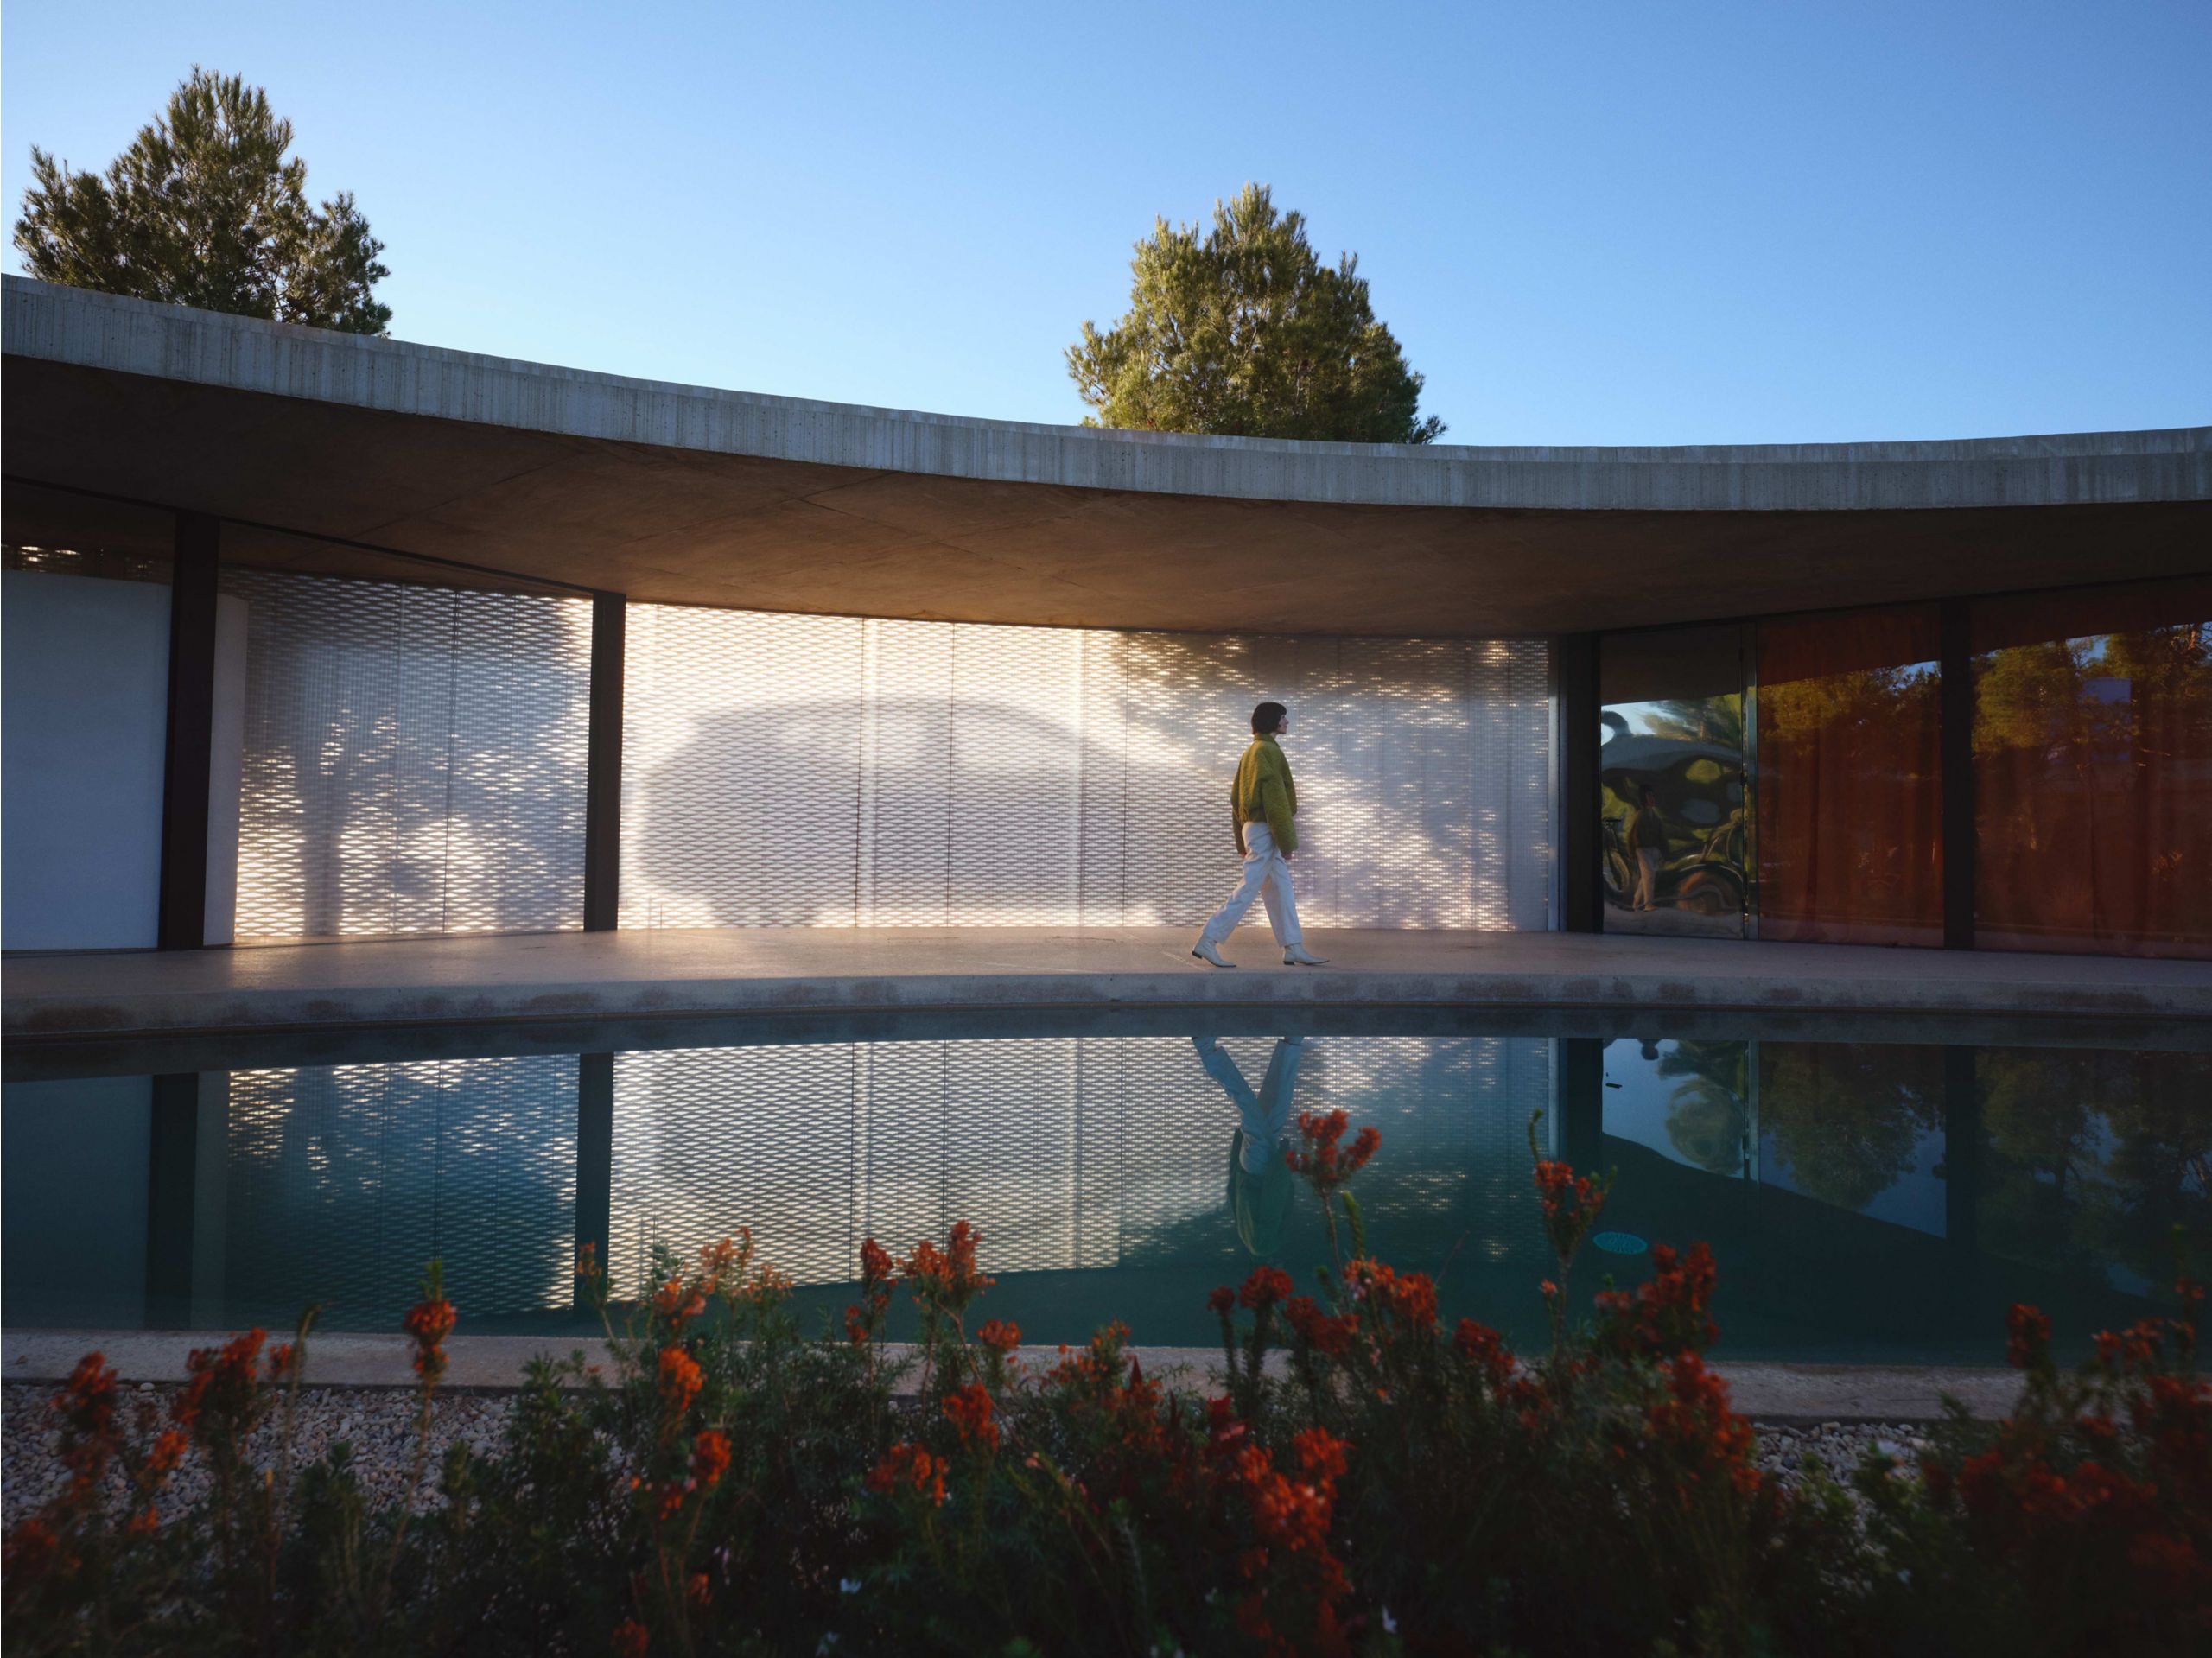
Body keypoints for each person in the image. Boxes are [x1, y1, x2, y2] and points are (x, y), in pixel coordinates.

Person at [1192, 702, 1327, 968]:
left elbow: (1235, 799)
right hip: (1267, 828)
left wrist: (1240, 839)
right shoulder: (1268, 751)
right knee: (1249, 886)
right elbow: (1275, 799)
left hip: (1254, 828)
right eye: (1283, 718)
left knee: (1281, 889)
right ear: (1273, 721)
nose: (1287, 722)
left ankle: (1293, 947)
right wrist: (1287, 842)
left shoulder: (1251, 752)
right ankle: (1208, 939)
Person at [1191, 1034, 1304, 1256]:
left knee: (1252, 1106)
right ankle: (1291, 1044)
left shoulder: (1266, 1243)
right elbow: (1233, 1190)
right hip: (1252, 1167)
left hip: (1262, 1168)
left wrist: (1284, 1160)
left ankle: (1208, 1052)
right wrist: (1237, 1147)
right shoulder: (1247, 1237)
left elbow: (1275, 1196)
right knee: (1275, 1104)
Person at [1625, 784, 1667, 912]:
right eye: (1649, 795)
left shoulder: (1655, 817)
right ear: (1643, 798)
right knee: (1649, 876)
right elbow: (1632, 835)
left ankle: (1636, 903)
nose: (1652, 798)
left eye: (1653, 795)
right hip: (1642, 850)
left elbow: (1661, 836)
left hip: (1653, 850)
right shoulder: (1640, 816)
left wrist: (1663, 851)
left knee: (1646, 877)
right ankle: (1648, 904)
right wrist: (1632, 852)